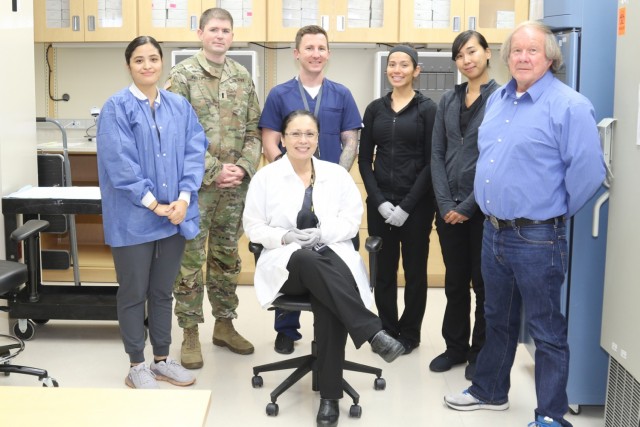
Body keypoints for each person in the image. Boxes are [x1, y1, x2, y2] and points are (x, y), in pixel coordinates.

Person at [443, 21, 606, 427]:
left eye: (532, 51)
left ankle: (550, 415)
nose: (523, 57)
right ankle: (490, 391)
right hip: (493, 230)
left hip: (537, 236)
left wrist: (551, 213)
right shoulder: (498, 99)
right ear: (507, 57)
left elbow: (588, 172)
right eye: (516, 51)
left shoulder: (569, 105)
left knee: (546, 330)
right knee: (497, 317)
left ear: (550, 57)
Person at [243, 110, 404, 427]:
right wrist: (286, 236)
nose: (303, 140)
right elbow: (253, 226)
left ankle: (330, 399)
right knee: (304, 257)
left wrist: (323, 234)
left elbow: (349, 221)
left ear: (318, 139)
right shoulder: (266, 177)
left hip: (331, 259)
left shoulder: (338, 175)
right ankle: (372, 331)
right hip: (289, 267)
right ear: (283, 138)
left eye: (309, 134)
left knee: (329, 300)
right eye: (296, 134)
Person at [96, 36, 207, 389]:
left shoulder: (179, 106)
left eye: (153, 59)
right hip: (135, 219)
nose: (147, 65)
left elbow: (194, 150)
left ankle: (161, 359)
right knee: (133, 292)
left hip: (175, 215)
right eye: (139, 60)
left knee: (162, 292)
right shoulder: (117, 107)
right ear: (129, 65)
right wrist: (154, 204)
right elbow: (120, 164)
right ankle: (136, 364)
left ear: (162, 63)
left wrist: (184, 199)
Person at [165, 7, 262, 368]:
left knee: (226, 258)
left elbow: (255, 130)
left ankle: (224, 324)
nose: (220, 35)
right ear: (200, 33)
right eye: (214, 29)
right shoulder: (183, 76)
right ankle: (190, 332)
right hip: (195, 188)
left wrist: (243, 168)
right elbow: (177, 135)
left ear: (232, 37)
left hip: (234, 189)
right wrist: (214, 170)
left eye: (226, 30)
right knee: (190, 259)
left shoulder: (242, 77)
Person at [258, 24, 363, 355]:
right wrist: (289, 175)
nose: (316, 54)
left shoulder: (341, 94)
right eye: (309, 48)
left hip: (330, 192)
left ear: (328, 54)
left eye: (321, 48)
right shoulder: (279, 94)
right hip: (290, 190)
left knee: (332, 254)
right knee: (292, 254)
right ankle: (286, 328)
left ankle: (329, 328)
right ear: (297, 53)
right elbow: (270, 139)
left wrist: (330, 179)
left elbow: (350, 140)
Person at [358, 44, 437, 354]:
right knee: (384, 270)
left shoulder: (428, 109)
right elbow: (365, 161)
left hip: (416, 206)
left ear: (416, 71)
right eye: (392, 64)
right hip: (381, 205)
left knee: (415, 272)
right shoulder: (375, 109)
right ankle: (387, 330)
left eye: (405, 65)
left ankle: (410, 333)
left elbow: (433, 162)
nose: (397, 70)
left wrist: (406, 207)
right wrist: (378, 200)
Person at [429, 30, 499, 380]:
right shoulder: (448, 100)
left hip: (484, 211)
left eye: (472, 52)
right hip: (448, 210)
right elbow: (437, 153)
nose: (466, 60)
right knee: (454, 282)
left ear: (487, 53)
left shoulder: (502, 99)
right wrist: (444, 203)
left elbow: (499, 158)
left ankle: (479, 353)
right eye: (459, 55)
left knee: (482, 284)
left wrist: (469, 205)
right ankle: (454, 347)